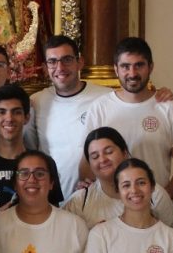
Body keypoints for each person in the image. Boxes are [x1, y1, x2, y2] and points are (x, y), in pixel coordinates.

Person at [84, 37, 173, 198]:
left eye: (139, 65)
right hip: (111, 206)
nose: (132, 73)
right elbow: (88, 161)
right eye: (125, 66)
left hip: (155, 208)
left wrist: (162, 200)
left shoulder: (169, 108)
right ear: (116, 69)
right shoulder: (99, 108)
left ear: (150, 67)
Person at [27, 36, 112, 200]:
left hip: (97, 199)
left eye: (66, 59)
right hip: (51, 201)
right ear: (45, 68)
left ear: (79, 62)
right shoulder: (36, 102)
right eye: (52, 61)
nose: (60, 67)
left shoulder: (106, 98)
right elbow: (31, 149)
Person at [0, 84, 60, 216]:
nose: (9, 119)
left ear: (26, 118)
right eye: (1, 112)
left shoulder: (44, 163)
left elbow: (55, 216)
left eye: (16, 112)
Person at [64, 127, 173, 228]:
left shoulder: (154, 195)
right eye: (95, 156)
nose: (102, 159)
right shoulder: (79, 202)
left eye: (109, 152)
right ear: (89, 164)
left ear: (125, 153)